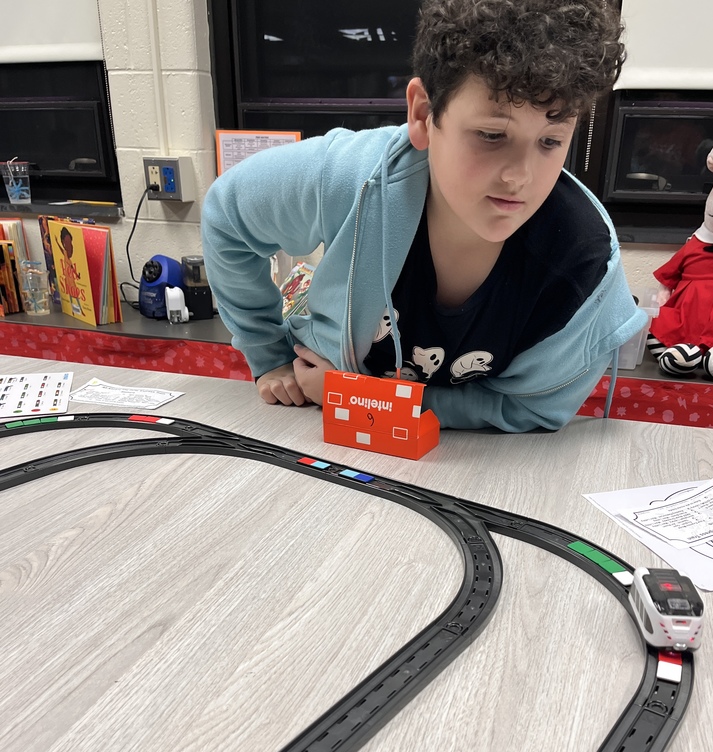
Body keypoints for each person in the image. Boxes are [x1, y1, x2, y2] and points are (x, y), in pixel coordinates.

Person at [201, 0, 646, 432]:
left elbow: (534, 410)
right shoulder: (348, 175)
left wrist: (353, 394)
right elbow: (226, 216)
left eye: (551, 141)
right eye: (492, 134)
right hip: (316, 431)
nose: (520, 177)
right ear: (423, 114)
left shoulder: (582, 262)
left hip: (479, 466)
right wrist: (268, 355)